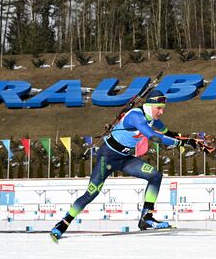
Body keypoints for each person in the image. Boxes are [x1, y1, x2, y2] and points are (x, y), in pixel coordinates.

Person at [50, 89, 198, 241]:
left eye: (162, 109)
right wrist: (182, 142)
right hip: (107, 157)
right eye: (158, 108)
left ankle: (146, 217)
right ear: (149, 105)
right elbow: (154, 137)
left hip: (125, 158)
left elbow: (166, 132)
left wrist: (184, 137)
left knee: (155, 176)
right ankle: (63, 223)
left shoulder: (152, 117)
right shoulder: (136, 116)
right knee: (92, 193)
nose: (161, 112)